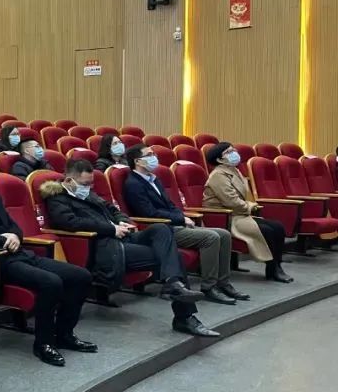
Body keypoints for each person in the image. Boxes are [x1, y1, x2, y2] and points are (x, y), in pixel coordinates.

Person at [40, 159, 219, 337]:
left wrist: (122, 221)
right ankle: (184, 315)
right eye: (85, 184)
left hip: (125, 236)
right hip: (107, 246)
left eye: (91, 183)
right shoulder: (57, 198)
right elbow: (69, 222)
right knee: (176, 258)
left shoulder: (88, 194)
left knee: (161, 229)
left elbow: (113, 209)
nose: (89, 187)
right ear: (69, 180)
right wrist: (111, 229)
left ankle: (172, 285)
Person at [0, 153, 94, 366]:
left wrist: (15, 236)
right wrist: (3, 239)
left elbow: (13, 226)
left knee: (81, 276)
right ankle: (43, 343)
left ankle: (64, 334)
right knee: (51, 282)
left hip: (21, 254)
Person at [123, 144, 247, 304]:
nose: (154, 157)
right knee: (211, 237)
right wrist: (180, 219)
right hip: (160, 230)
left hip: (174, 224)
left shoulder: (154, 179)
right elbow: (149, 213)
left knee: (224, 234)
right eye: (149, 154)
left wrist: (182, 216)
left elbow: (170, 205)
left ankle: (223, 283)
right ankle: (209, 287)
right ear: (137, 161)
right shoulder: (133, 184)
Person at [203, 142, 292, 283]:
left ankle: (277, 266)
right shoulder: (218, 175)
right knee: (267, 231)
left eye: (233, 150)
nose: (234, 154)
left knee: (278, 227)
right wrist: (250, 206)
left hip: (240, 214)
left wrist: (249, 207)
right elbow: (231, 201)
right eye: (229, 152)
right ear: (219, 159)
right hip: (227, 217)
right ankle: (273, 268)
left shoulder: (235, 171)